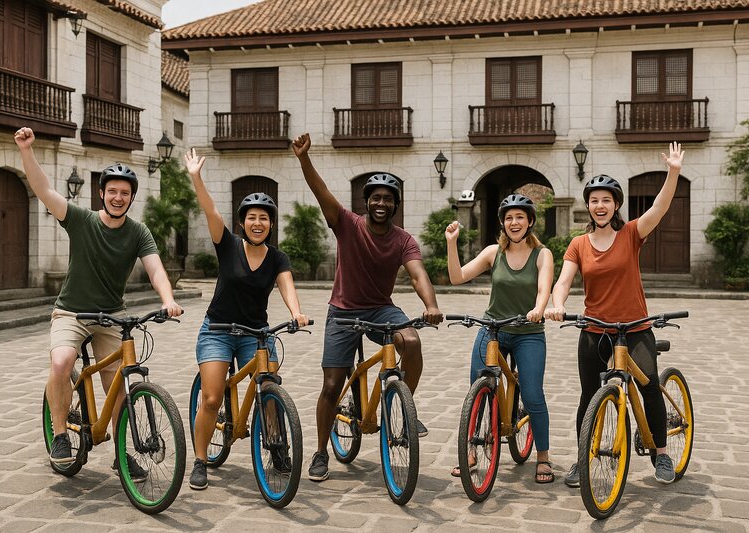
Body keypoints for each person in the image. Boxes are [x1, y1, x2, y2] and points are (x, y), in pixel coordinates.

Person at [13, 127, 183, 479]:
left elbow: (156, 270)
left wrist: (168, 300)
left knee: (117, 385)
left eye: (125, 193)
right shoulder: (81, 220)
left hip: (112, 315)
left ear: (131, 198)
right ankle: (60, 436)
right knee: (62, 363)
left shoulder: (138, 232)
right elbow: (43, 190)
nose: (118, 197)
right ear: (101, 193)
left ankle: (121, 453)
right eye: (112, 191)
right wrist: (27, 151)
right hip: (71, 311)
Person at [292, 133, 443, 482]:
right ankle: (319, 452)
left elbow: (418, 274)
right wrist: (304, 160)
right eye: (375, 197)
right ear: (366, 201)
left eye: (388, 199)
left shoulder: (403, 239)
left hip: (380, 309)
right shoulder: (347, 223)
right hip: (343, 312)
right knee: (332, 385)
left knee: (412, 343)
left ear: (395, 205)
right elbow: (321, 192)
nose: (381, 203)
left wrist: (431, 305)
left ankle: (404, 407)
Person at [544, 142, 685, 486]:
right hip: (595, 329)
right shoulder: (578, 243)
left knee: (649, 385)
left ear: (616, 204)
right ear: (588, 206)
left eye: (606, 199)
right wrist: (557, 303)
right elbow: (563, 281)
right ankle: (583, 456)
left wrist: (673, 172)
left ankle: (662, 453)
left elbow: (660, 207)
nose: (600, 205)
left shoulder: (631, 233)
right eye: (594, 200)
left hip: (635, 327)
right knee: (588, 395)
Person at [183, 148, 309, 490]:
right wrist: (196, 177)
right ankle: (199, 460)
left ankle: (277, 445)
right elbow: (209, 209)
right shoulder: (227, 244)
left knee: (269, 386)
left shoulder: (277, 257)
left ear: (271, 224)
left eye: (264, 218)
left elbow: (286, 286)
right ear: (242, 222)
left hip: (256, 333)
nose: (258, 223)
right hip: (218, 330)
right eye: (252, 217)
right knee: (210, 397)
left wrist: (296, 312)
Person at [445, 194, 555, 483]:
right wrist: (452, 243)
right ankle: (469, 452)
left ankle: (542, 456)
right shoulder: (493, 252)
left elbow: (544, 288)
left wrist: (539, 309)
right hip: (493, 329)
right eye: (509, 218)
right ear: (503, 224)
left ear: (530, 221)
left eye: (520, 217)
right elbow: (457, 277)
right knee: (477, 393)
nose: (514, 222)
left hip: (528, 333)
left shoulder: (542, 254)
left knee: (532, 395)